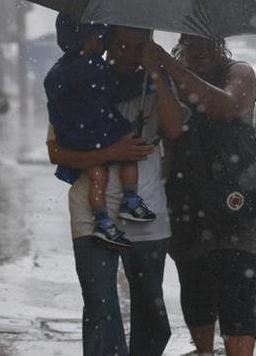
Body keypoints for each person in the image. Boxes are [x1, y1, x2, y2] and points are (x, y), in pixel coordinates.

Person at [47, 25, 183, 356]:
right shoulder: (80, 81)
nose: (127, 53)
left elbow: (175, 128)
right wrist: (109, 153)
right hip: (91, 212)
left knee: (151, 306)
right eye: (120, 44)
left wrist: (156, 72)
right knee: (99, 304)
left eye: (137, 46)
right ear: (108, 42)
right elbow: (56, 152)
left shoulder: (156, 84)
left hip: (145, 210)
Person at [144, 34, 256, 356]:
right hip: (186, 203)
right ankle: (204, 351)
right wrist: (160, 72)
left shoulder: (239, 73)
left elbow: (223, 105)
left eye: (208, 45)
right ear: (182, 43)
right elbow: (164, 127)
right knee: (196, 288)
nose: (200, 52)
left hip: (238, 203)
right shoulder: (168, 78)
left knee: (237, 291)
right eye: (192, 45)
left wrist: (169, 65)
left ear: (220, 44)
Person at [44, 15, 156, 249]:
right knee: (131, 148)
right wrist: (147, 81)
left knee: (97, 176)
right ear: (89, 39)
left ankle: (102, 220)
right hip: (101, 129)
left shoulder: (57, 71)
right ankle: (130, 199)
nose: (102, 41)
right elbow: (116, 89)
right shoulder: (95, 66)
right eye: (100, 36)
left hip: (75, 135)